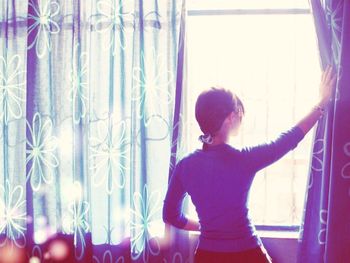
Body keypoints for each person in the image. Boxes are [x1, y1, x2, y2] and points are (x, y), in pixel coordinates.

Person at [162, 66, 336, 263]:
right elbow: (288, 139)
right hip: (247, 254)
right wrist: (322, 102)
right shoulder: (244, 160)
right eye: (238, 112)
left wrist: (205, 226)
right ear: (230, 118)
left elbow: (170, 214)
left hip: (207, 256)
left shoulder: (185, 166)